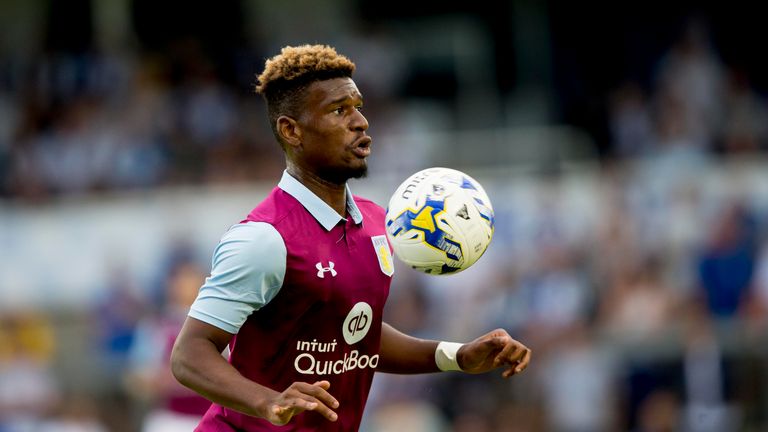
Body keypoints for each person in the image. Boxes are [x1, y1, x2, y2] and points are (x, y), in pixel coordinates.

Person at [170, 44, 532, 431]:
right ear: (292, 130)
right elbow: (189, 354)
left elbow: (357, 335)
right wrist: (267, 401)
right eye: (338, 110)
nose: (360, 122)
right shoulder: (264, 239)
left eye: (358, 106)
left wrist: (456, 356)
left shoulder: (377, 224)